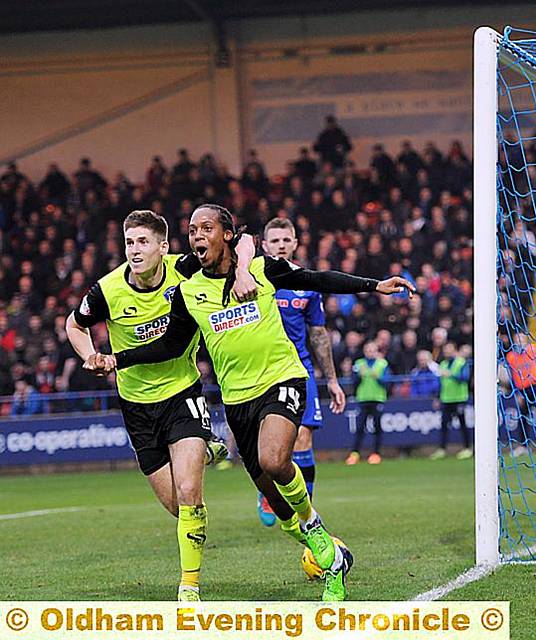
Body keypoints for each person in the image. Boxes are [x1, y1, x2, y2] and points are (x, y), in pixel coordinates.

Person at [88, 203, 414, 601]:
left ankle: (315, 528)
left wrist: (372, 285)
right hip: (236, 398)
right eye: (192, 231)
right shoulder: (188, 290)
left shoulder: (262, 268)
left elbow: (315, 278)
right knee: (273, 499)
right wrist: (116, 358)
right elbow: (170, 344)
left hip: (281, 377)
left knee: (276, 460)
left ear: (227, 235)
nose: (196, 236)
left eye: (206, 228)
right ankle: (326, 552)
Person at [66, 209, 257, 602]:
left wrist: (243, 272)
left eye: (143, 242)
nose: (135, 250)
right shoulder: (107, 289)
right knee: (178, 505)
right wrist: (90, 354)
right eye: (129, 242)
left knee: (189, 492)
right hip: (136, 406)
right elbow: (74, 324)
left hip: (181, 394)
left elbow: (243, 240)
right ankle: (203, 450)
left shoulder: (183, 269)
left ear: (163, 247)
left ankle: (189, 585)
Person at [257, 217, 346, 527]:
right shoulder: (254, 280)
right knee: (269, 447)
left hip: (300, 369)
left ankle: (305, 512)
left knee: (303, 440)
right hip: (262, 371)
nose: (281, 245)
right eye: (275, 240)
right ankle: (269, 493)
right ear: (264, 246)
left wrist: (332, 380)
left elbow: (319, 334)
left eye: (286, 240)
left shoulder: (306, 284)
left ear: (294, 244)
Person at [345, 342, 390, 466]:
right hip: (363, 398)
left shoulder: (382, 364)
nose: (370, 352)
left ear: (376, 351)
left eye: (372, 350)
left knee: (377, 427)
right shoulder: (359, 364)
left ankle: (376, 453)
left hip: (377, 398)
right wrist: (359, 376)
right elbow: (353, 381)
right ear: (364, 351)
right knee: (360, 427)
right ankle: (355, 454)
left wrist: (378, 378)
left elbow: (388, 381)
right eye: (368, 350)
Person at [506, 332, 536, 456]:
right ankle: (523, 446)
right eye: (517, 339)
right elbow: (512, 376)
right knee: (523, 417)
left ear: (526, 340)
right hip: (524, 390)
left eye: (521, 339)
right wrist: (517, 393)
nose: (519, 341)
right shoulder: (511, 356)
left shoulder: (534, 349)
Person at [430, 342, 472, 460]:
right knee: (444, 424)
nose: (447, 352)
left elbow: (465, 378)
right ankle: (442, 449)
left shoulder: (461, 363)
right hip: (446, 399)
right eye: (445, 350)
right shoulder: (442, 364)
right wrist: (437, 397)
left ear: (455, 350)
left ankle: (467, 448)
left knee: (462, 424)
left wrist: (451, 374)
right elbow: (440, 383)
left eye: (449, 349)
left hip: (459, 398)